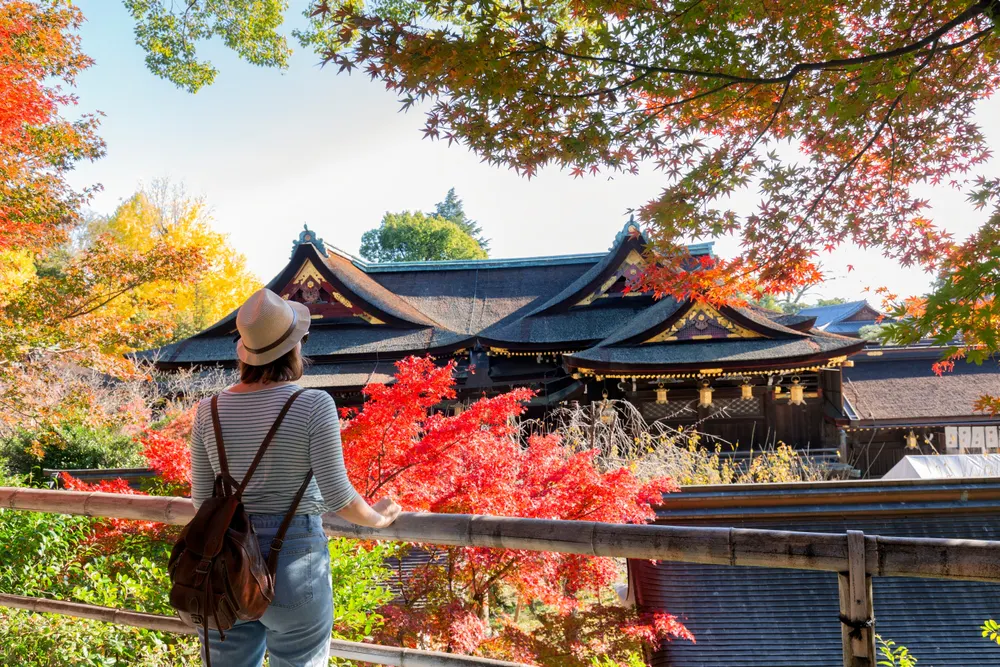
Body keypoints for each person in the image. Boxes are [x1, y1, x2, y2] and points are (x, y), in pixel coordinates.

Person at [188, 287, 401, 666]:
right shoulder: (312, 403)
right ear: (294, 348)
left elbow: (202, 499)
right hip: (294, 559)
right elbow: (339, 497)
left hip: (225, 559)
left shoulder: (210, 409)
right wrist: (379, 517)